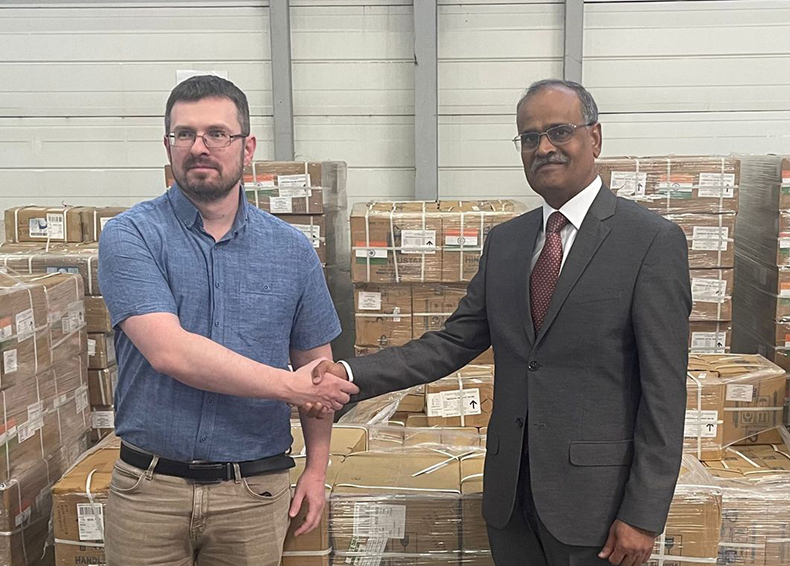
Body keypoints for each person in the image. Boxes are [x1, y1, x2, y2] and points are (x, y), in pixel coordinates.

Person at [311, 79, 691, 566]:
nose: (544, 147)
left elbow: (665, 391)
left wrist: (644, 513)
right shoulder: (508, 242)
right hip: (510, 501)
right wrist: (349, 374)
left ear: (594, 138)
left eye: (559, 131)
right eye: (529, 138)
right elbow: (451, 342)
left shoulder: (649, 242)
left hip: (597, 507)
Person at [98, 75, 359, 566]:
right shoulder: (131, 236)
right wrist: (288, 385)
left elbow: (317, 371)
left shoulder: (291, 250)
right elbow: (168, 351)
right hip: (149, 493)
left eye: (217, 134)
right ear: (168, 146)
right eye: (185, 134)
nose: (200, 147)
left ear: (247, 148)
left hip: (253, 494)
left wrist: (316, 468)